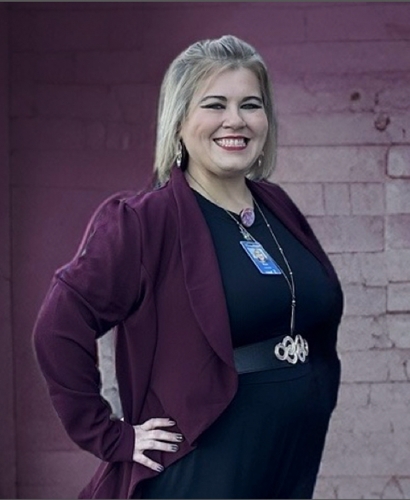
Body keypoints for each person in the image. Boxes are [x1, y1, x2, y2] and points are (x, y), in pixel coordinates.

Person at [33, 34, 344, 499]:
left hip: (287, 459)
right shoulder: (144, 221)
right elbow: (58, 326)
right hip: (204, 468)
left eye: (251, 105)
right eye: (215, 105)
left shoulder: (276, 207)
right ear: (179, 121)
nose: (236, 120)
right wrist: (110, 434)